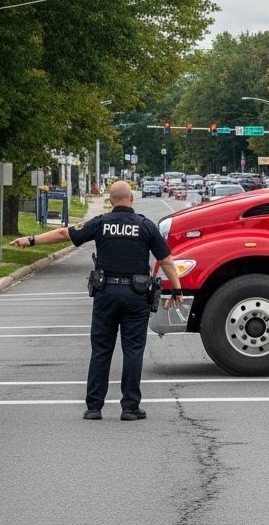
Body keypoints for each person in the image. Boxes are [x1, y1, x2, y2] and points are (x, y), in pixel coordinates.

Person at [11, 180, 183, 421]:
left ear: (111, 200)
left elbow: (64, 233)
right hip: (136, 296)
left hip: (106, 295)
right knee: (133, 351)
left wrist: (30, 240)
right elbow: (166, 261)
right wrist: (176, 289)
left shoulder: (101, 223)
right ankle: (130, 407)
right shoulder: (145, 226)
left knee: (101, 350)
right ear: (131, 199)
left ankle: (94, 407)